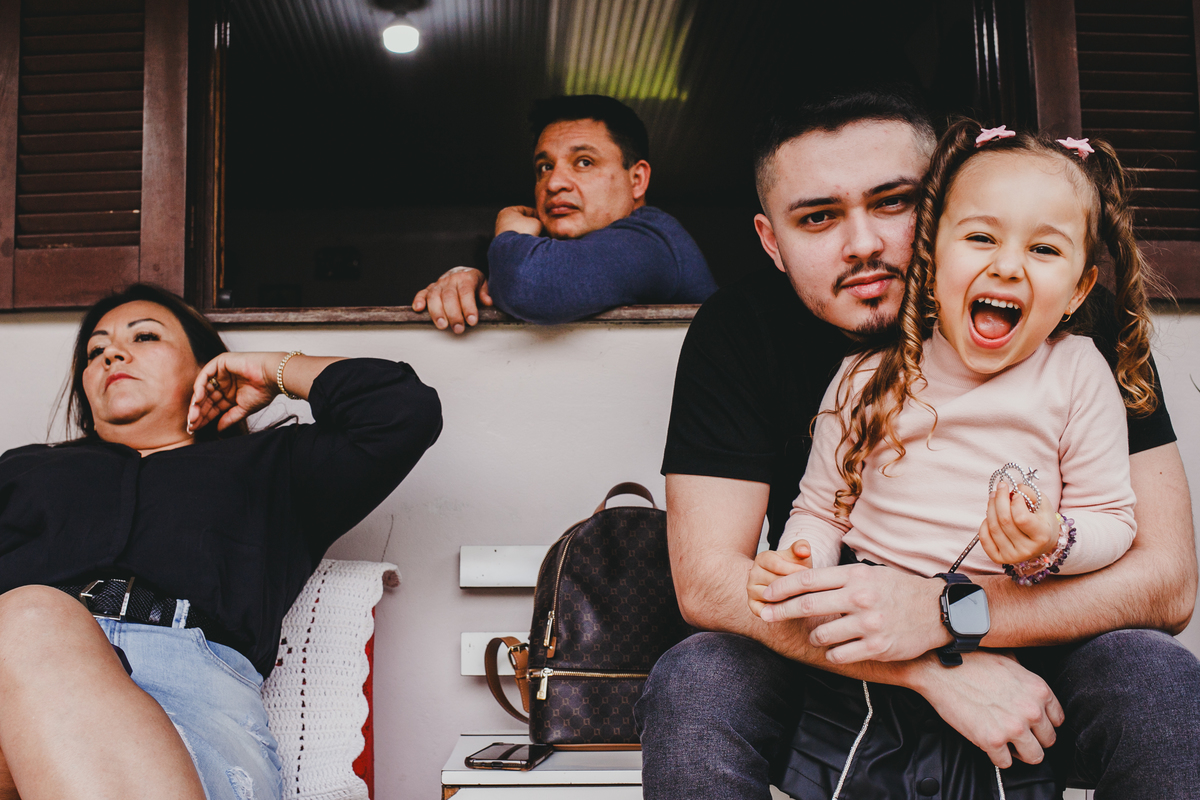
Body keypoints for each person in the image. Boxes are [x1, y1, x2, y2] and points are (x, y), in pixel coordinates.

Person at [637, 89, 1199, 798]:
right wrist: (927, 667)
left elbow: (1168, 583)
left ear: (934, 208)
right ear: (771, 240)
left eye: (893, 202)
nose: (863, 243)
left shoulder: (1073, 334)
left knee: (1155, 675)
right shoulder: (748, 335)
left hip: (1039, 656)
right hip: (841, 652)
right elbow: (709, 584)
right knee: (696, 676)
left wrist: (946, 616)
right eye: (818, 217)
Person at [0, 283, 442, 800]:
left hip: (190, 700)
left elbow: (400, 410)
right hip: (16, 681)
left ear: (204, 366)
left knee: (30, 617)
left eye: (144, 337)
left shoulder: (273, 467)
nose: (112, 355)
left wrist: (273, 370)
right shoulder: (23, 470)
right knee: (29, 624)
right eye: (96, 351)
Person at [751, 120, 1146, 604]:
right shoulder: (867, 376)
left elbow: (1111, 519)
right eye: (981, 238)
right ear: (931, 260)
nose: (1007, 267)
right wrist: (800, 561)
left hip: (1015, 615)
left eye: (1043, 249)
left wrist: (1055, 539)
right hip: (872, 605)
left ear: (1078, 291)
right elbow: (820, 513)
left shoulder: (1077, 373)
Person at [411, 95, 717, 332]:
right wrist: (473, 281)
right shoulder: (570, 258)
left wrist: (510, 233)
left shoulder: (653, 239)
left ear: (637, 179)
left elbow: (529, 287)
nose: (554, 183)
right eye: (545, 167)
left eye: (584, 162)